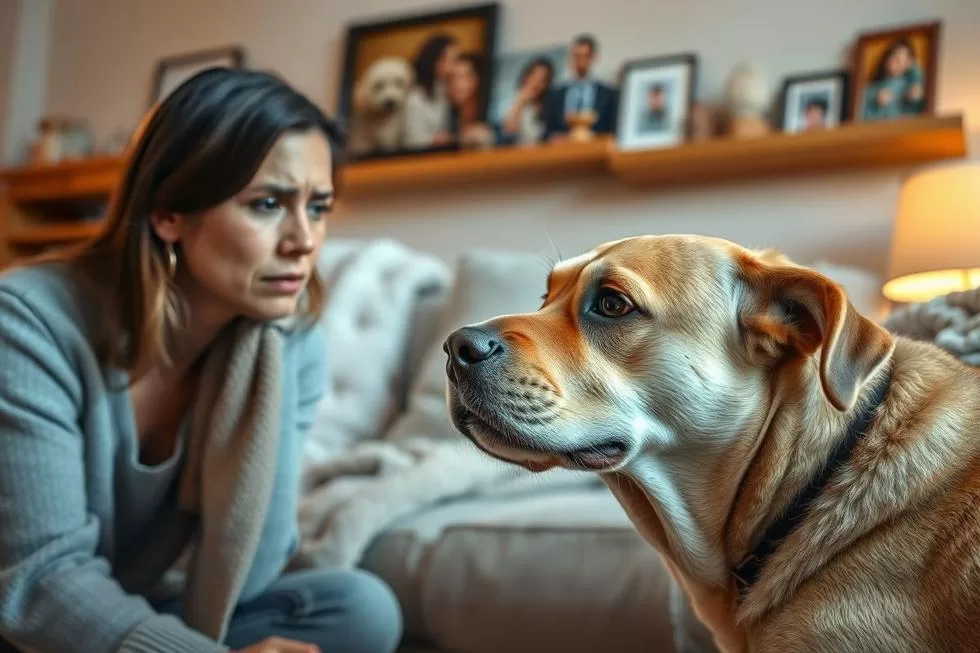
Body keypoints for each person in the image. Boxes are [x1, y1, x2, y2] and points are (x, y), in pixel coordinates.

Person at [0, 67, 403, 653]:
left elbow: (255, 568)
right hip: (20, 611)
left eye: (318, 207)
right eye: (267, 204)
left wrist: (278, 352)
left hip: (115, 600)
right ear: (169, 212)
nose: (304, 241)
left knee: (359, 610)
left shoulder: (292, 341)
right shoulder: (28, 322)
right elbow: (38, 582)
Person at [542, 33, 619, 141]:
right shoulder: (556, 95)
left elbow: (613, 130)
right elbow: (546, 132)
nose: (581, 62)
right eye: (577, 56)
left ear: (594, 58)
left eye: (585, 56)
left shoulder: (608, 94)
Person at [403, 33, 459, 149]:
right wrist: (435, 139)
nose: (455, 67)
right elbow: (413, 140)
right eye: (452, 60)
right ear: (437, 61)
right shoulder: (414, 96)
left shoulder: (443, 88)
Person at [861, 37, 926, 120]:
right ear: (886, 58)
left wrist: (916, 81)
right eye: (897, 58)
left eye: (906, 60)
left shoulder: (912, 85)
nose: (901, 64)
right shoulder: (870, 90)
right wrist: (875, 102)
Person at [499, 56, 554, 145]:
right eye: (534, 76)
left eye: (542, 79)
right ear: (526, 76)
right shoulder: (513, 100)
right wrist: (520, 102)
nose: (537, 82)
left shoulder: (547, 106)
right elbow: (508, 132)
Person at [447, 52, 494, 149]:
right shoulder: (447, 117)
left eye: (464, 77)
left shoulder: (491, 115)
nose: (457, 84)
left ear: (477, 80)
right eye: (452, 77)